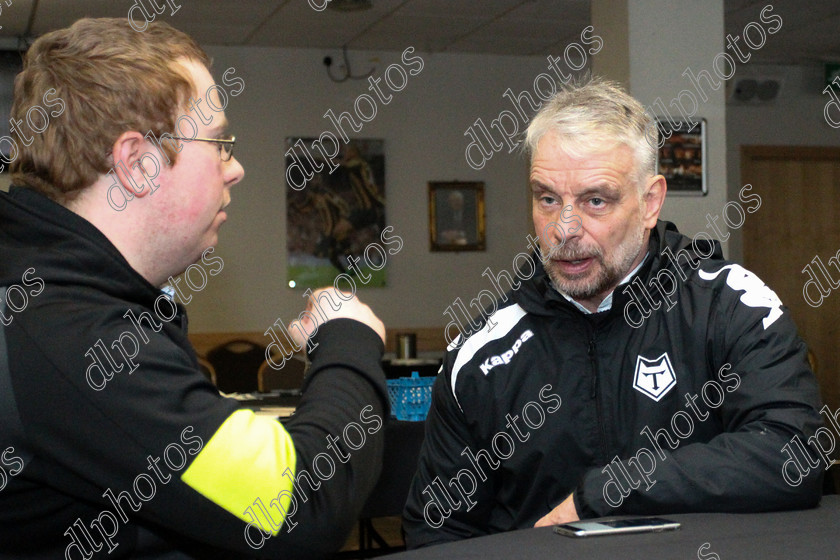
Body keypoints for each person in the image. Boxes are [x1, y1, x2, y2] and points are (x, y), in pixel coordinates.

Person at [0, 18, 389, 559]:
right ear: (138, 164)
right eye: (219, 144)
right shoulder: (75, 335)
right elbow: (300, 504)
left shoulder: (65, 296)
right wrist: (348, 340)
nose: (237, 169)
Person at [403, 78, 825, 548]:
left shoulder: (730, 306)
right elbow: (436, 534)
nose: (564, 229)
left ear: (650, 203)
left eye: (595, 200)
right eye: (547, 199)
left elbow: (794, 453)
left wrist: (610, 491)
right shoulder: (482, 356)